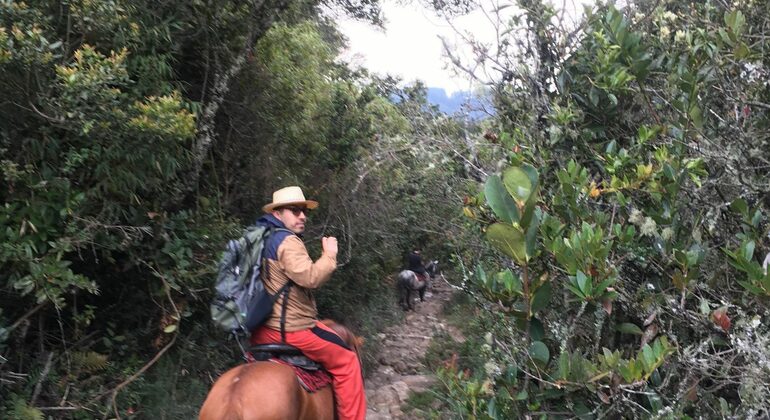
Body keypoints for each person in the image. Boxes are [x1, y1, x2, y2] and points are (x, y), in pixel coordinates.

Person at [249, 186, 366, 420]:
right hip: (292, 330)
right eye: (295, 210)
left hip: (259, 332)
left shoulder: (258, 239)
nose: (302, 215)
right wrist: (329, 254)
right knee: (348, 361)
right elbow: (310, 277)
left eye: (303, 210)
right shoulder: (286, 240)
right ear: (277, 214)